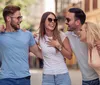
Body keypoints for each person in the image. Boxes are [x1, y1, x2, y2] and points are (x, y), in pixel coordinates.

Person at [0, 5, 43, 85]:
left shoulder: (27, 35)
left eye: (21, 17)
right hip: (5, 80)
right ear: (8, 18)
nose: (20, 20)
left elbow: (39, 54)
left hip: (24, 79)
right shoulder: (1, 35)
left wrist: (58, 53)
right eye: (18, 18)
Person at [35, 12, 72, 85]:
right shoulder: (38, 37)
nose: (53, 22)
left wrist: (58, 46)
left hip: (62, 76)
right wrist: (24, 32)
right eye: (50, 19)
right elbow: (28, 45)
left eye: (54, 20)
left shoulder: (61, 35)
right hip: (47, 77)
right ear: (43, 21)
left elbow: (69, 56)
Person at [65, 8, 99, 85]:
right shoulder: (67, 36)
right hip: (85, 80)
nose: (66, 22)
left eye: (68, 19)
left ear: (77, 22)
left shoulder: (93, 35)